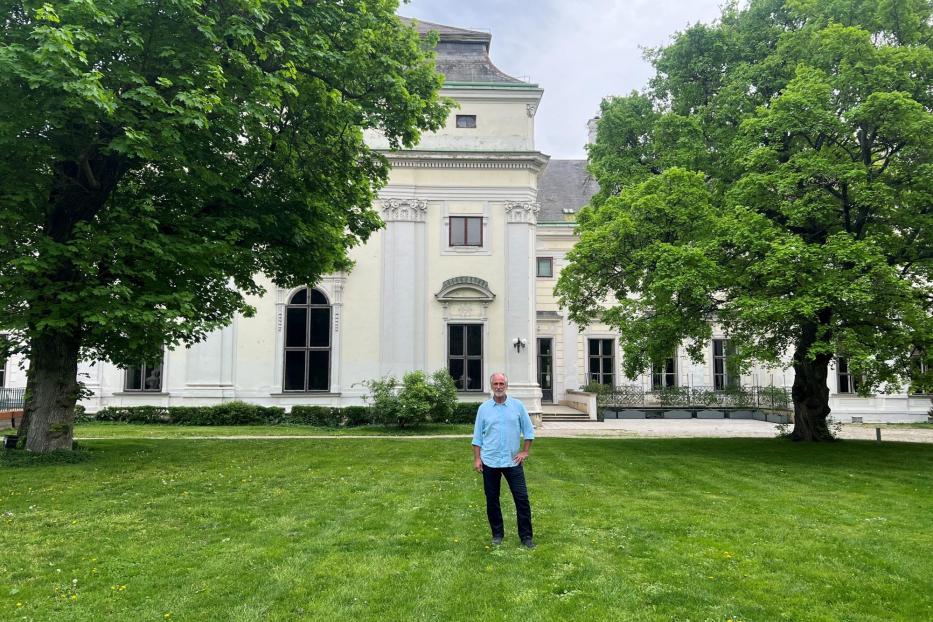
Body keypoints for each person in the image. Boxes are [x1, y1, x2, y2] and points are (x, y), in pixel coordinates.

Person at [472, 372, 536, 548]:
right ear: (491, 386)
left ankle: (526, 537)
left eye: (501, 383)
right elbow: (477, 437)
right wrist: (477, 458)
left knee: (521, 499)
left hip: (512, 462)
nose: (498, 387)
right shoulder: (483, 409)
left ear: (506, 386)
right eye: (495, 384)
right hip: (490, 461)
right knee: (492, 499)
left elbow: (529, 432)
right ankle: (497, 534)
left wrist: (525, 451)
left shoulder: (517, 406)